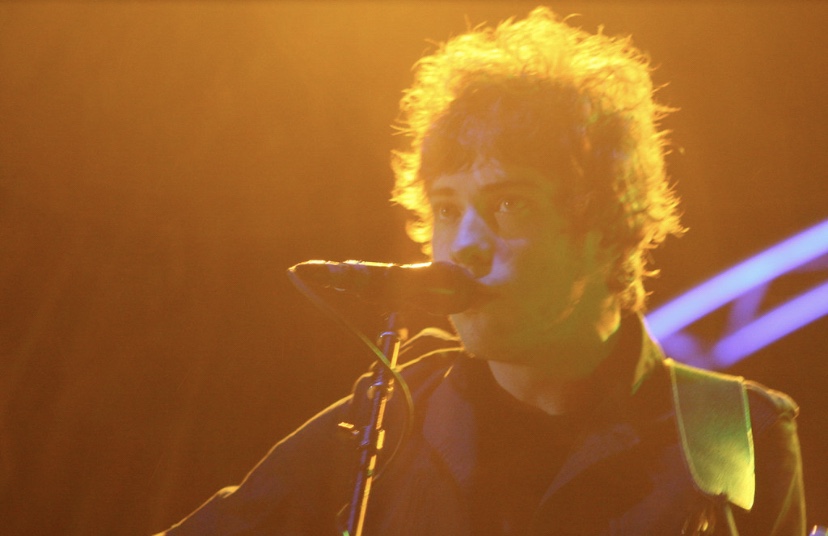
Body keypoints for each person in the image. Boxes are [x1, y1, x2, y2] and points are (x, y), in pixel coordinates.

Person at [157, 7, 806, 535]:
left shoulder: (738, 432)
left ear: (608, 229)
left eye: (508, 204)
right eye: (446, 208)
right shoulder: (386, 419)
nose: (462, 245)